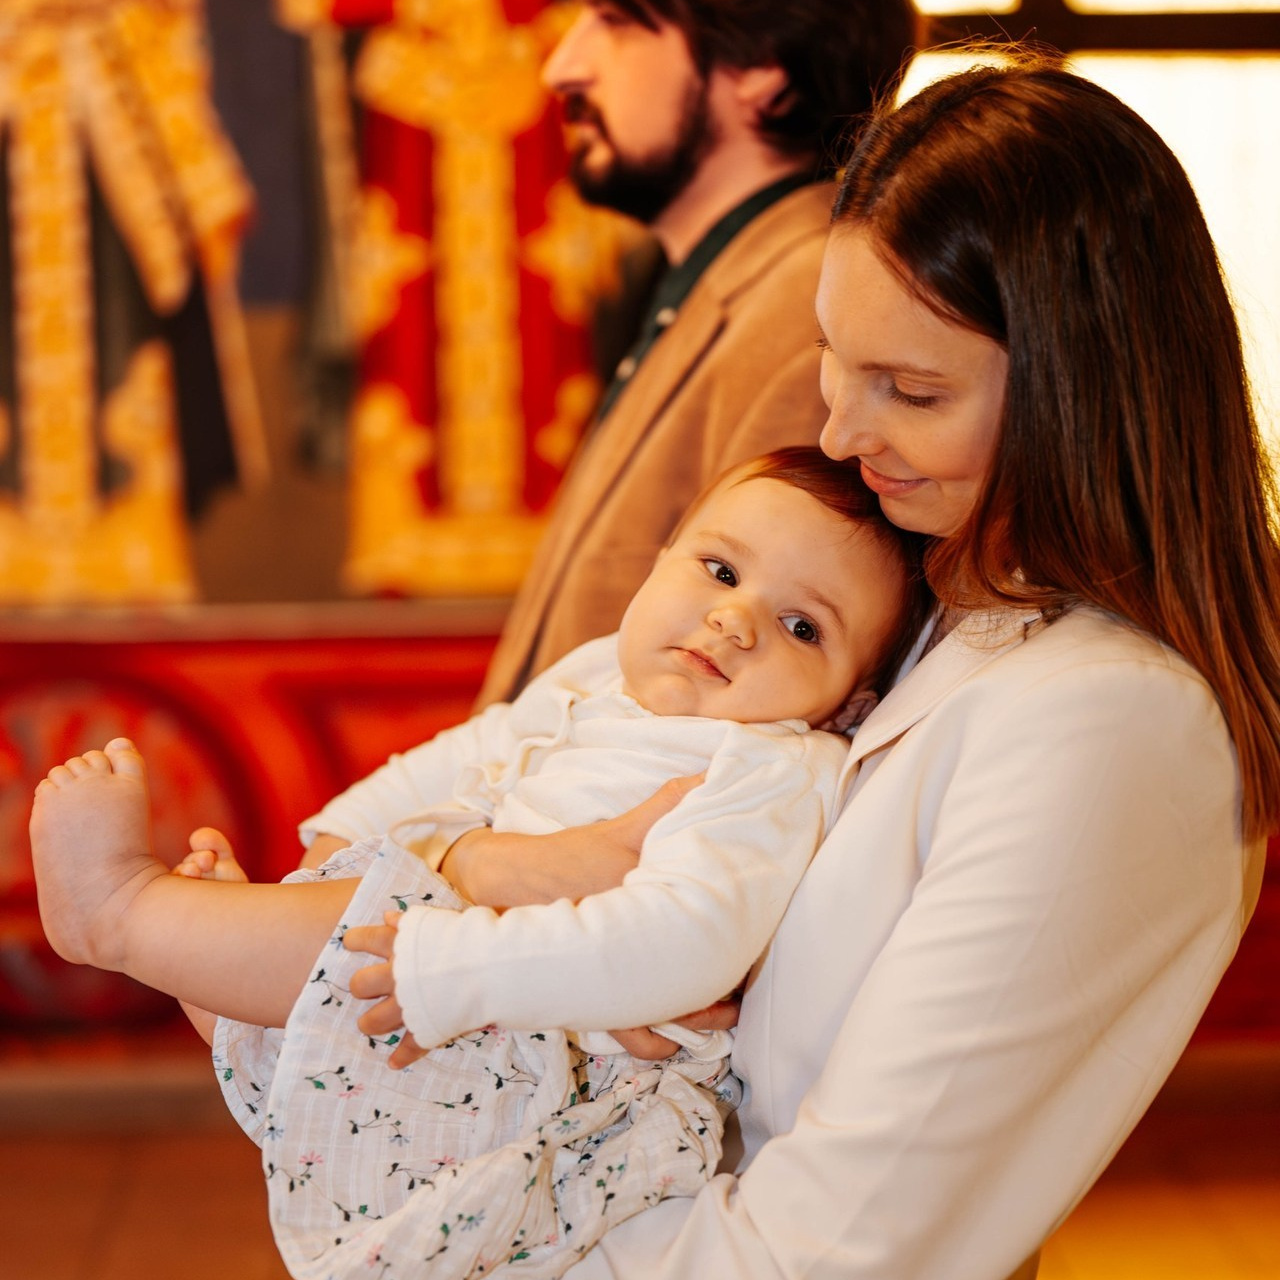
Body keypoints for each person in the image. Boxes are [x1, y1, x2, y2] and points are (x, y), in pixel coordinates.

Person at [346, 51, 1280, 1279]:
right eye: (835, 358)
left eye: (909, 388)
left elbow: (843, 1236)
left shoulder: (1112, 721)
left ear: (1081, 388)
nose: (840, 430)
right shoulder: (945, 601)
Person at [29, 449, 929, 1280]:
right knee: (336, 958)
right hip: (480, 999)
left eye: (802, 625)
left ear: (846, 705)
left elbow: (682, 941)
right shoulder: (595, 678)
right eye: (721, 571)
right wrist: (342, 838)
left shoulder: (760, 766)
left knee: (367, 938)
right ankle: (225, 965)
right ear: (661, 560)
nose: (735, 620)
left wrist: (451, 971)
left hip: (574, 1061)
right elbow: (464, 753)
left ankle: (125, 911)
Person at [474, 0, 917, 710]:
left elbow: (753, 700)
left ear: (760, 69)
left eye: (616, 22)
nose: (562, 67)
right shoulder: (727, 282)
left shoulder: (810, 304)